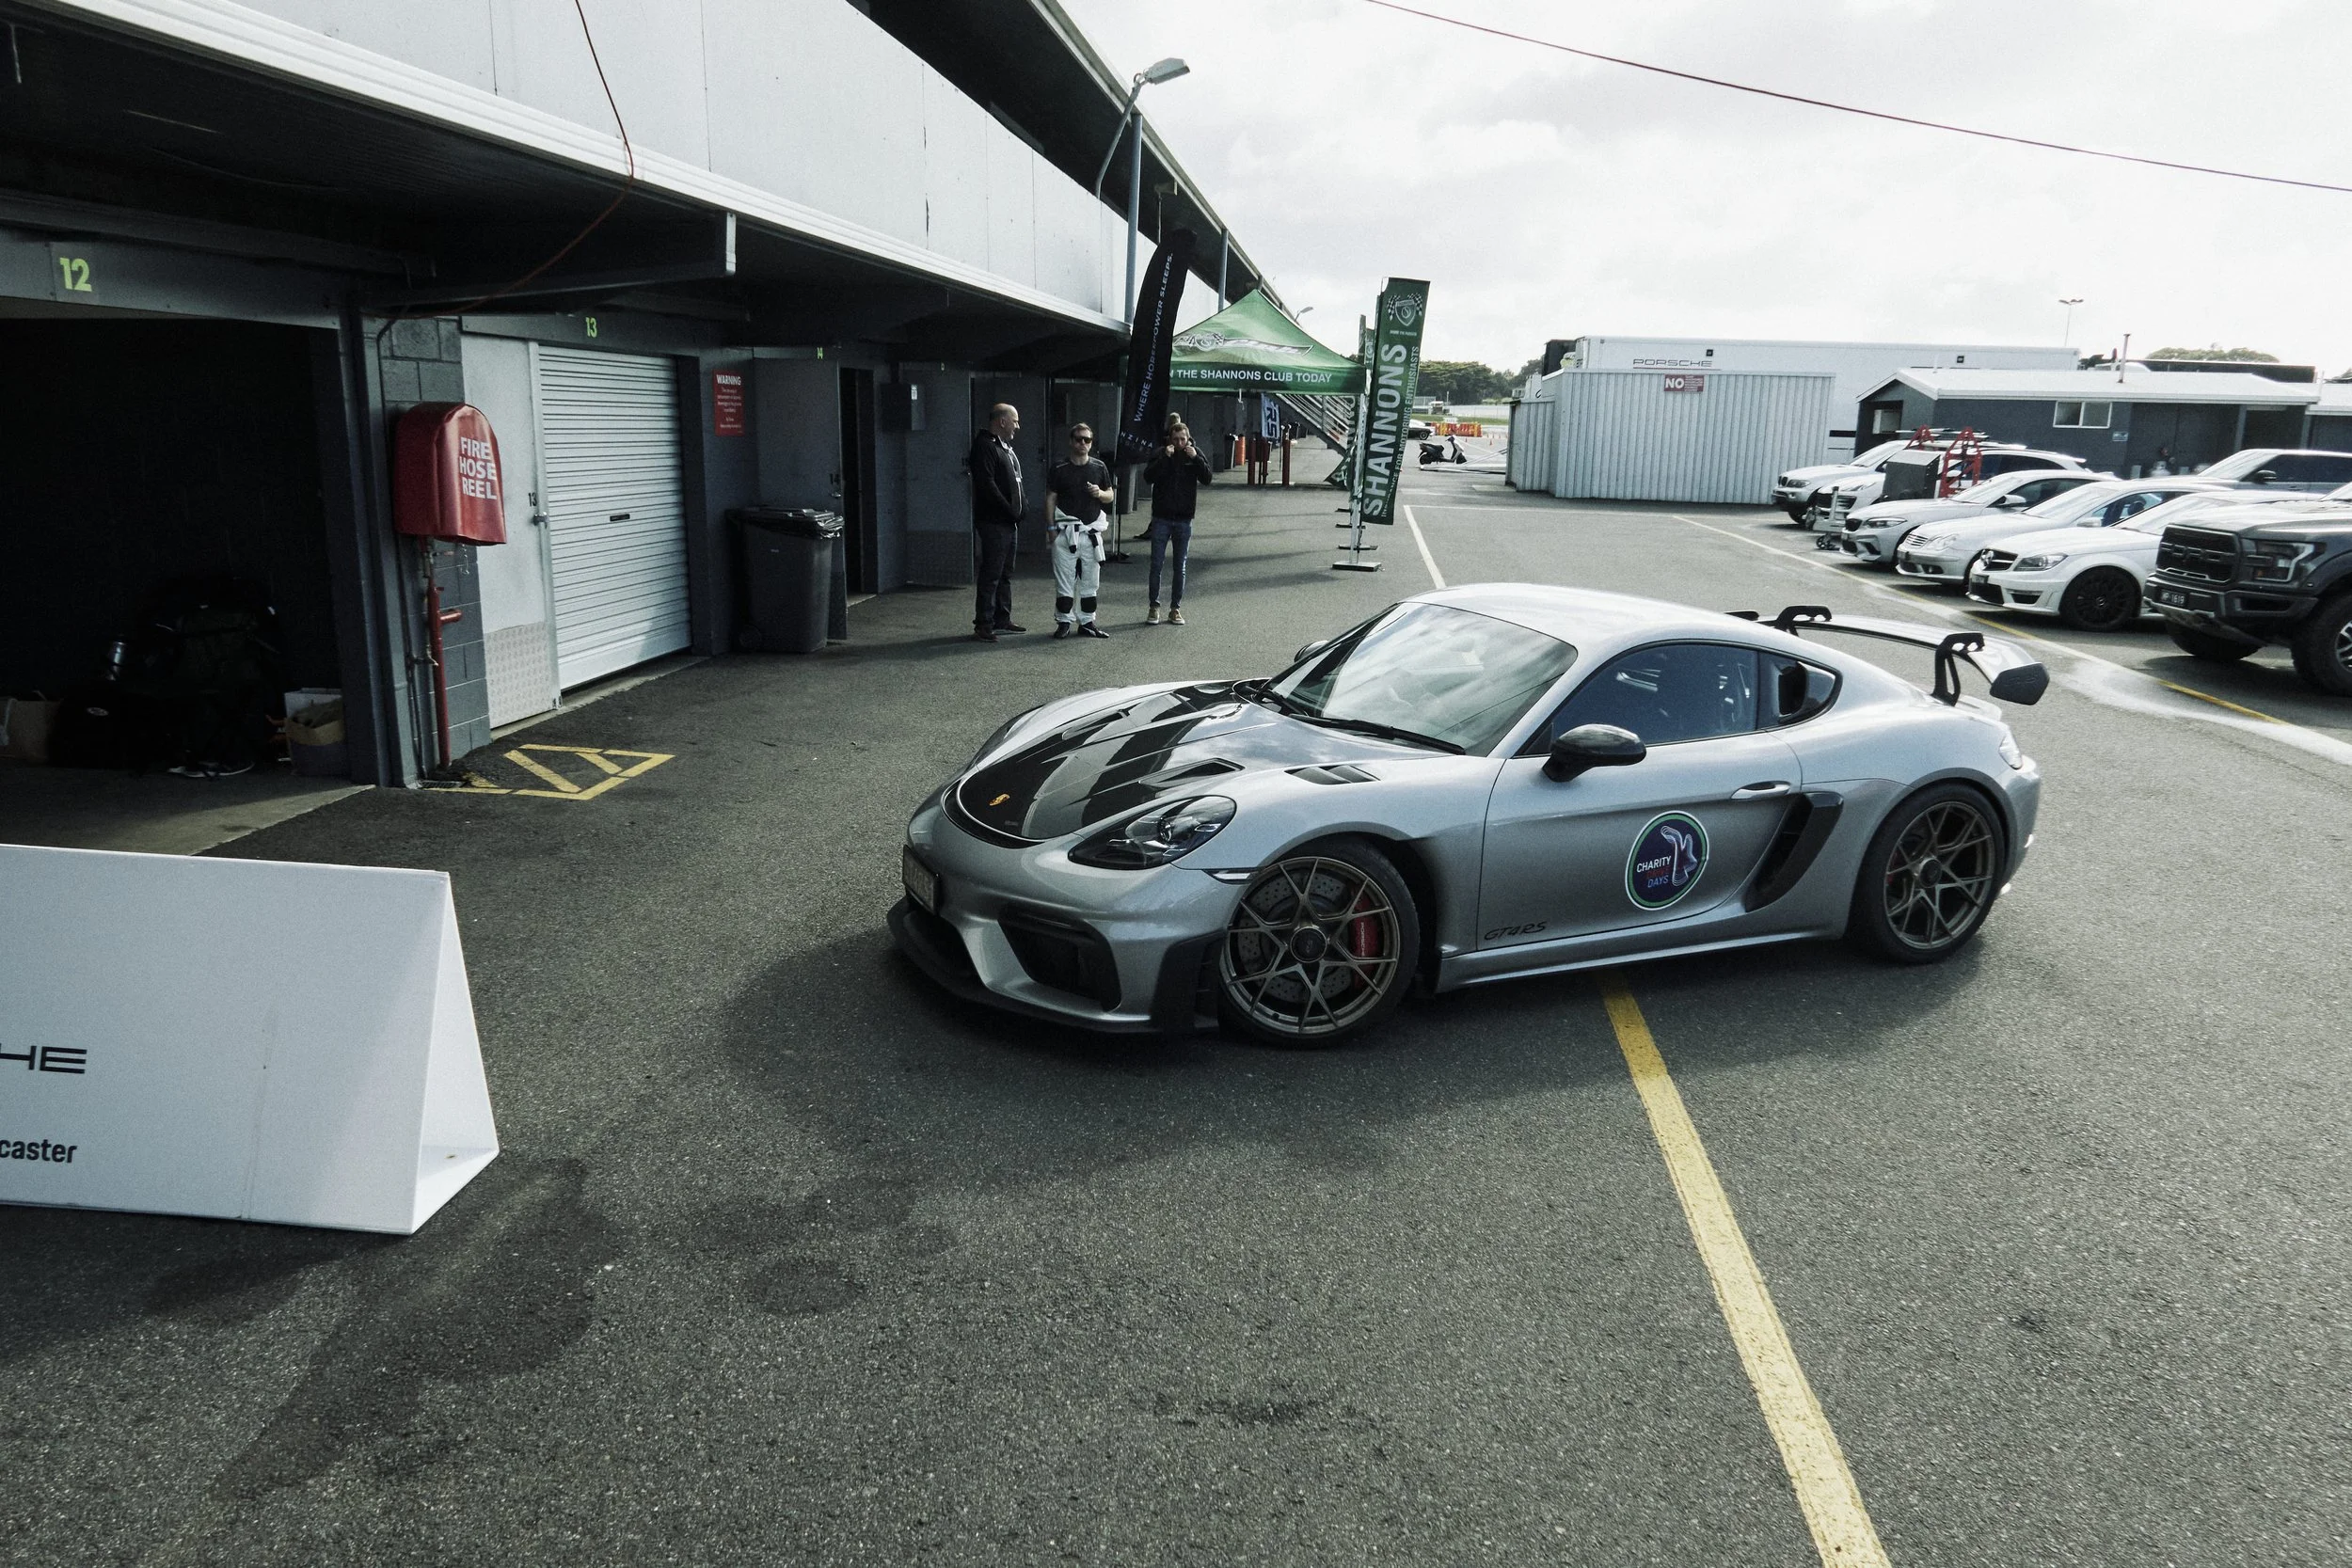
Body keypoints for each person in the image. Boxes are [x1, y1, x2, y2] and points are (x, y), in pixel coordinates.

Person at [1045, 423, 1115, 640]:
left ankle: (1087, 622)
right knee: (1064, 580)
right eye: (1078, 439)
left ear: (1092, 443)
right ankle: (1064, 621)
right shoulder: (1059, 468)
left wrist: (1100, 493)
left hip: (1090, 532)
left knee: (1090, 582)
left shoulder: (1099, 467)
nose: (1083, 443)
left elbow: (1110, 495)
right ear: (1071, 441)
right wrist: (1051, 530)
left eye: (1087, 440)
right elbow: (1050, 498)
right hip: (1066, 531)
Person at [1142, 412, 1211, 626]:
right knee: (1156, 564)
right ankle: (1154, 607)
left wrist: (1196, 458)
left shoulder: (1194, 454)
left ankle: (1175, 609)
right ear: (1170, 440)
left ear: (1188, 439)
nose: (1180, 443)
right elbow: (1148, 477)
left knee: (1180, 566)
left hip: (1184, 519)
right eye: (1176, 439)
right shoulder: (1161, 454)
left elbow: (1207, 478)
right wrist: (1165, 457)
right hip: (1161, 518)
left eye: (1183, 439)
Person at [966, 403, 1025, 641]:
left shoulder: (1004, 447)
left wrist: (1022, 506)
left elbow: (1016, 481)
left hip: (1008, 522)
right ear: (1002, 421)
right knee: (991, 572)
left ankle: (1002, 617)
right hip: (994, 521)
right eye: (1015, 421)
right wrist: (1009, 508)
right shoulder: (984, 447)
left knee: (1005, 572)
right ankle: (984, 624)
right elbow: (987, 485)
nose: (1017, 426)